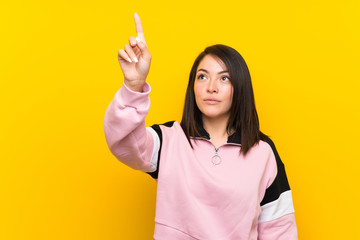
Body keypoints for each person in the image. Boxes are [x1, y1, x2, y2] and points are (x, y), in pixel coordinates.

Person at [104, 13, 298, 240]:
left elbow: (280, 230)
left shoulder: (263, 152)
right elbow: (124, 144)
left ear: (240, 87)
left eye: (224, 78)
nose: (212, 87)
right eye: (202, 77)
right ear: (193, 86)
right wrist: (133, 85)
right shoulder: (168, 140)